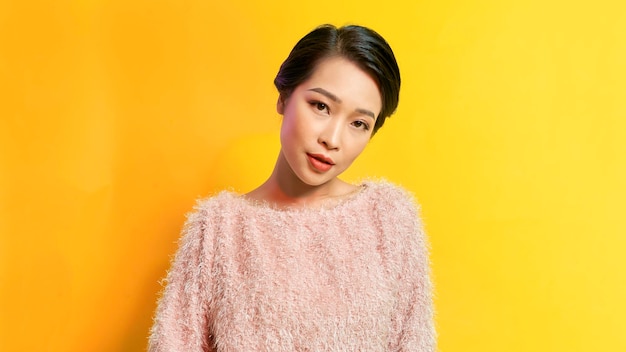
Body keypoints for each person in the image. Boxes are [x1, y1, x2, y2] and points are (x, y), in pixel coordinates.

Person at [148, 24, 435, 351]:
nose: (332, 138)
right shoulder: (216, 230)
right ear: (284, 97)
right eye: (321, 106)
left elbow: (413, 342)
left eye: (359, 123)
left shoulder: (389, 219)